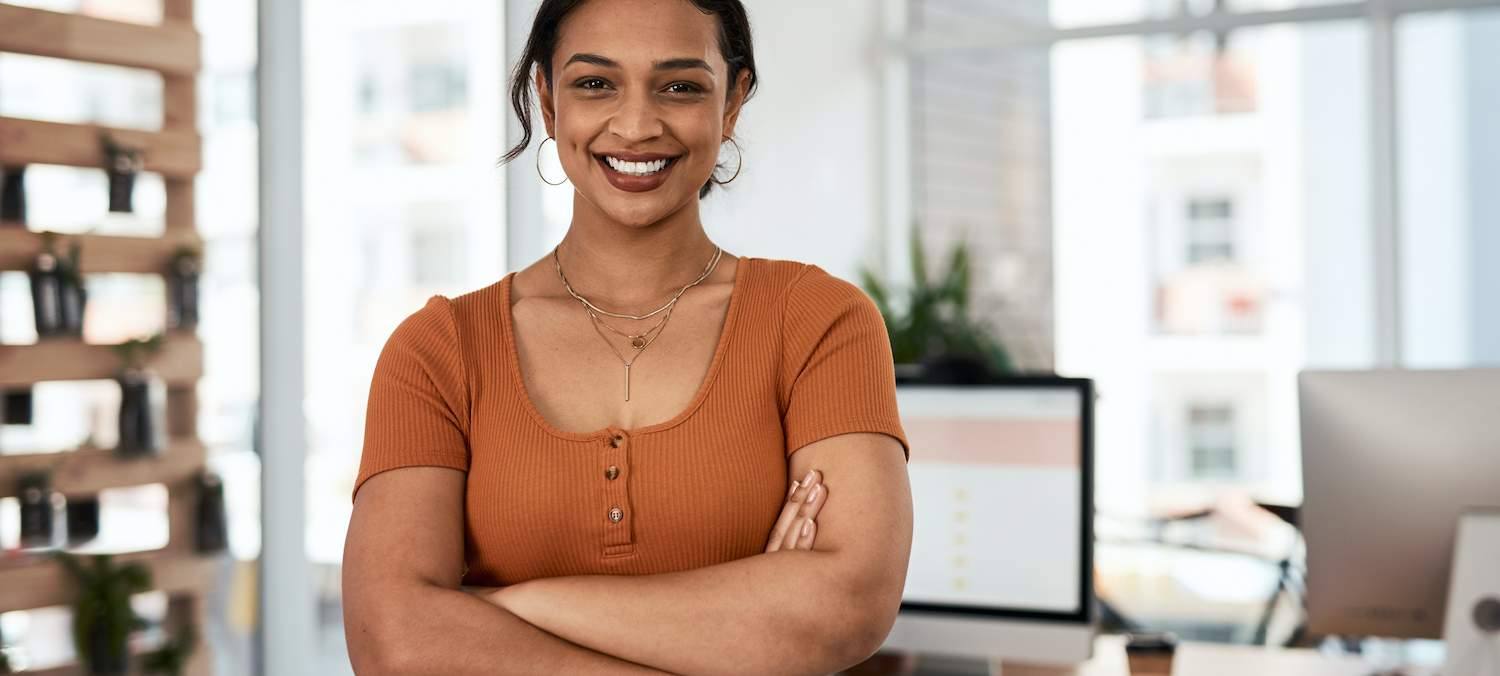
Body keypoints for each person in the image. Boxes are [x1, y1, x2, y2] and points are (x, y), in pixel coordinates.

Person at [341, 0, 913, 673]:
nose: (637, 125)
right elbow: (393, 640)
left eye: (680, 86)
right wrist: (743, 633)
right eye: (594, 84)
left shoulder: (819, 322)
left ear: (732, 102)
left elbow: (846, 606)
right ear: (548, 103)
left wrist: (505, 606)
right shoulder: (437, 352)